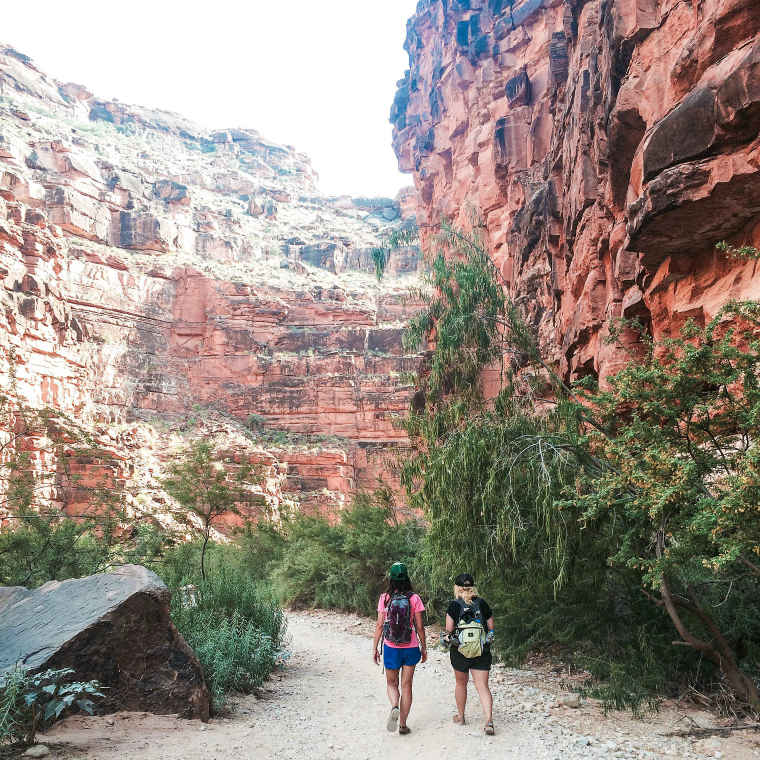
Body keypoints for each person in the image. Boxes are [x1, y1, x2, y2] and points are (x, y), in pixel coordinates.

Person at [372, 562, 427, 735]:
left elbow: (380, 625)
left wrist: (375, 647)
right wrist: (423, 647)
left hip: (391, 647)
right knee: (407, 685)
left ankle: (394, 705)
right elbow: (419, 627)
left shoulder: (385, 598)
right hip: (410, 648)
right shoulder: (414, 598)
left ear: (391, 578)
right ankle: (403, 725)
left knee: (391, 683)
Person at [445, 573, 495, 735]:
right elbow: (491, 629)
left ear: (457, 588)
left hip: (460, 651)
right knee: (483, 687)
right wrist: (485, 643)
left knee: (461, 684)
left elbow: (449, 631)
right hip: (481, 651)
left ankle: (461, 716)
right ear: (473, 587)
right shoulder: (482, 603)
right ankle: (488, 720)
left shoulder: (454, 605)